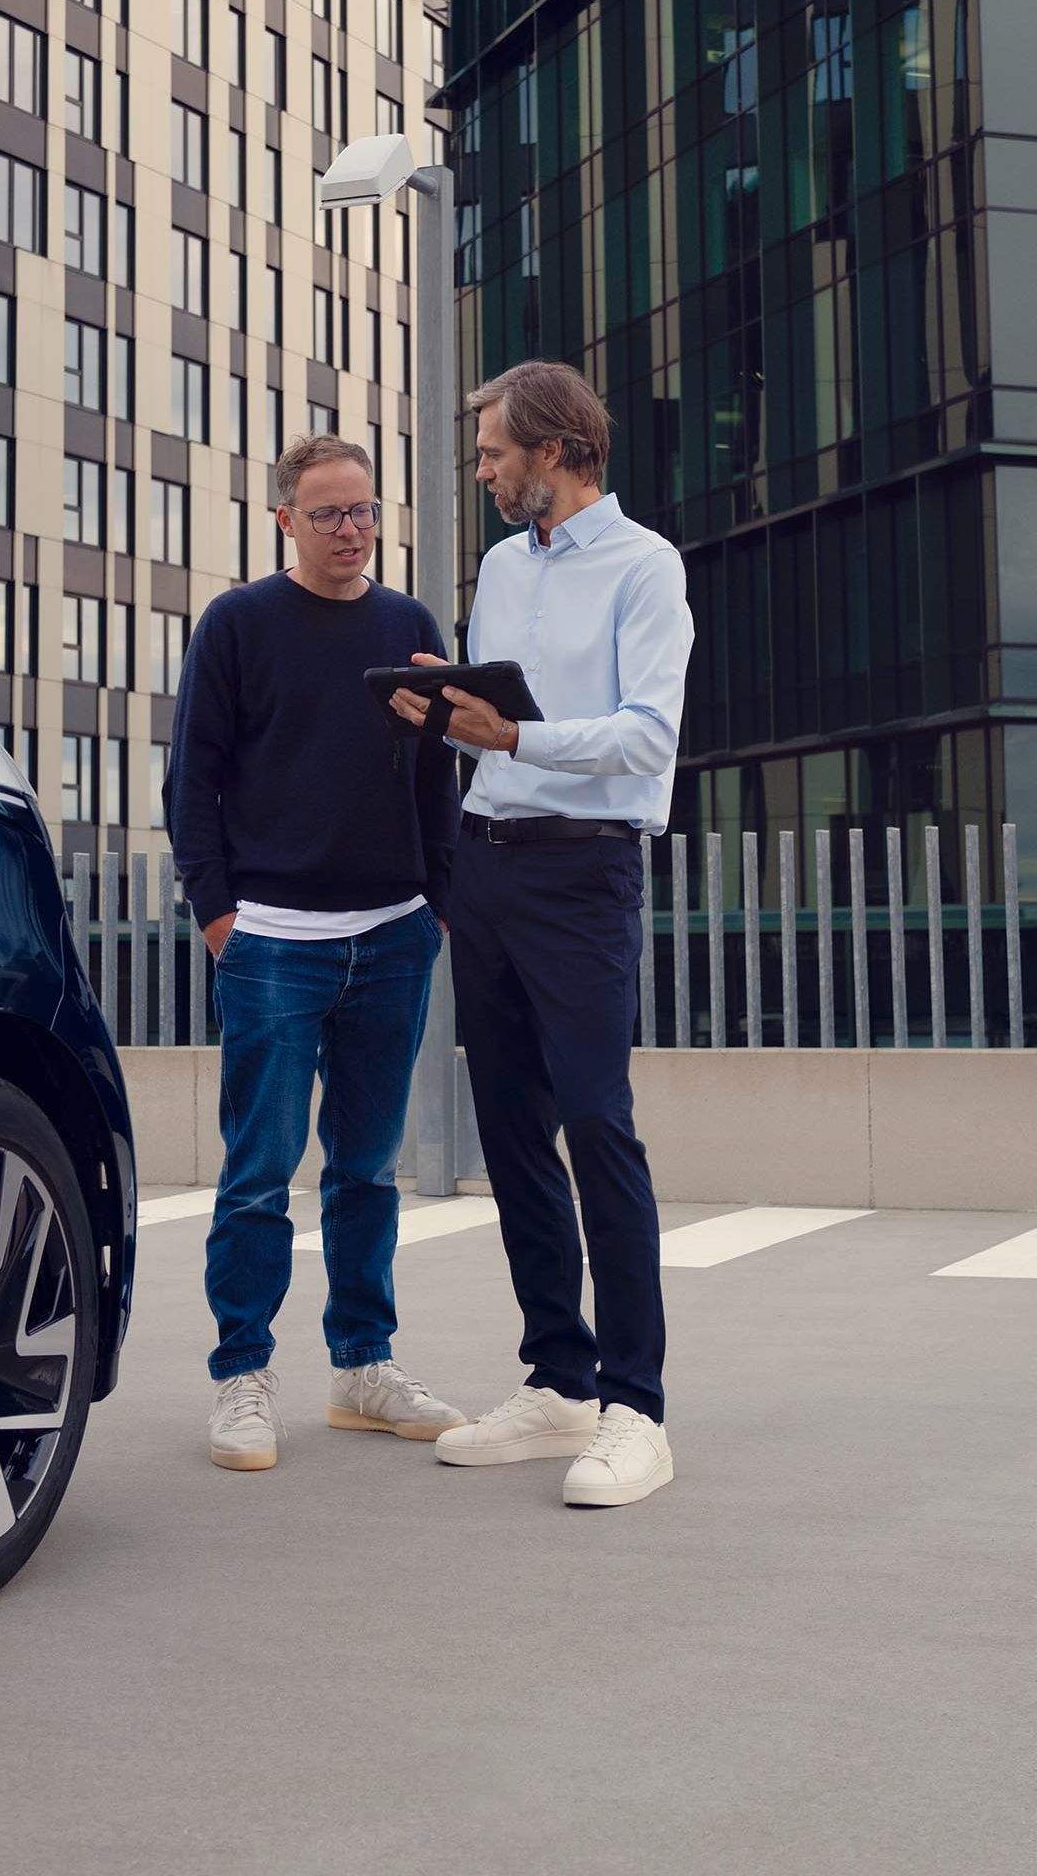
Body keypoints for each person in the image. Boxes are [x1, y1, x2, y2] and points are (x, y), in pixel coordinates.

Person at [391, 361, 694, 1510]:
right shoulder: (505, 568)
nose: (480, 469)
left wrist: (513, 737)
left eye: (492, 452)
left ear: (556, 450)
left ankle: (637, 1410)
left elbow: (646, 736)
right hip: (489, 866)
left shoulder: (646, 567)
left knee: (597, 1125)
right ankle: (559, 1381)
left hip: (584, 875)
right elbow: (495, 727)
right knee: (511, 1133)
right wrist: (445, 713)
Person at [168, 434, 464, 1474]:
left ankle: (362, 1368)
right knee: (258, 1174)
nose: (352, 529)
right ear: (285, 519)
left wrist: (437, 904)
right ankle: (242, 1374)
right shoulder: (239, 623)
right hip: (273, 942)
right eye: (330, 513)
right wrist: (219, 915)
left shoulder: (410, 626)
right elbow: (193, 778)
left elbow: (435, 776)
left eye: (365, 510)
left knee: (367, 1171)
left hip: (392, 935)